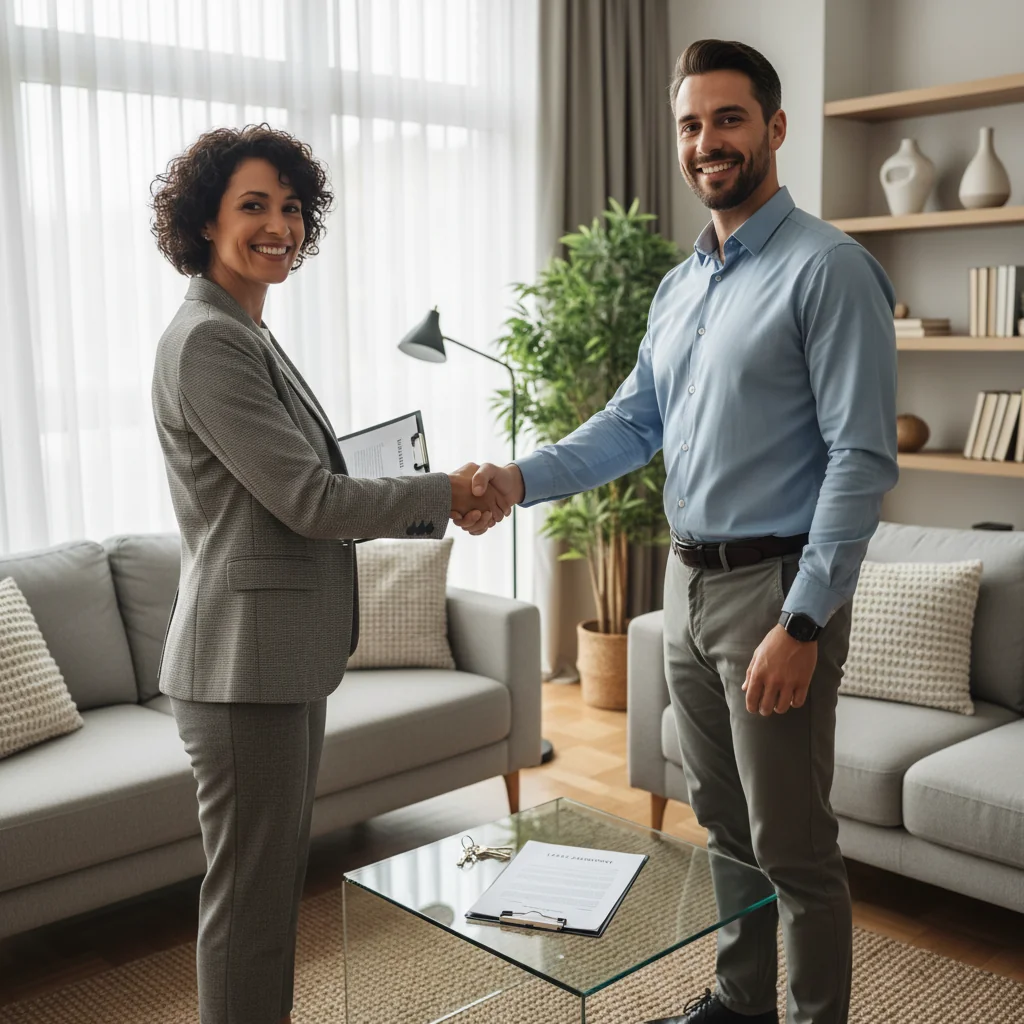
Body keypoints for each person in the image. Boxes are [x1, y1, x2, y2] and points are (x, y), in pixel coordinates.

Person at [458, 39, 898, 1024]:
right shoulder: (679, 286)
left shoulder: (829, 270)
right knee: (724, 826)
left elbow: (859, 460)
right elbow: (630, 426)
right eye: (691, 124)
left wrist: (803, 619)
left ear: (774, 128)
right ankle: (740, 1005)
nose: (707, 141)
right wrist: (519, 476)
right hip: (685, 587)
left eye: (728, 118)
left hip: (772, 592)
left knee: (790, 842)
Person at [149, 124, 509, 1024]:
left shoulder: (246, 331)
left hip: (275, 662)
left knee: (266, 899)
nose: (279, 225)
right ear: (203, 221)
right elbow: (311, 501)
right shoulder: (208, 342)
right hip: (242, 670)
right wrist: (441, 490)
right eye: (253, 206)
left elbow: (309, 485)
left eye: (291, 208)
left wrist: (415, 489)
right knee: (250, 909)